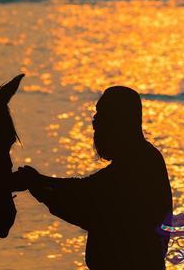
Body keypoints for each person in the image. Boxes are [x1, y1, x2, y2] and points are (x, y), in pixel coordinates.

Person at [13, 86, 172, 270]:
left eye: (101, 117)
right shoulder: (142, 159)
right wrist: (39, 182)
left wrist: (37, 185)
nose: (95, 124)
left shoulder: (140, 164)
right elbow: (85, 191)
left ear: (119, 123)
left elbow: (86, 201)